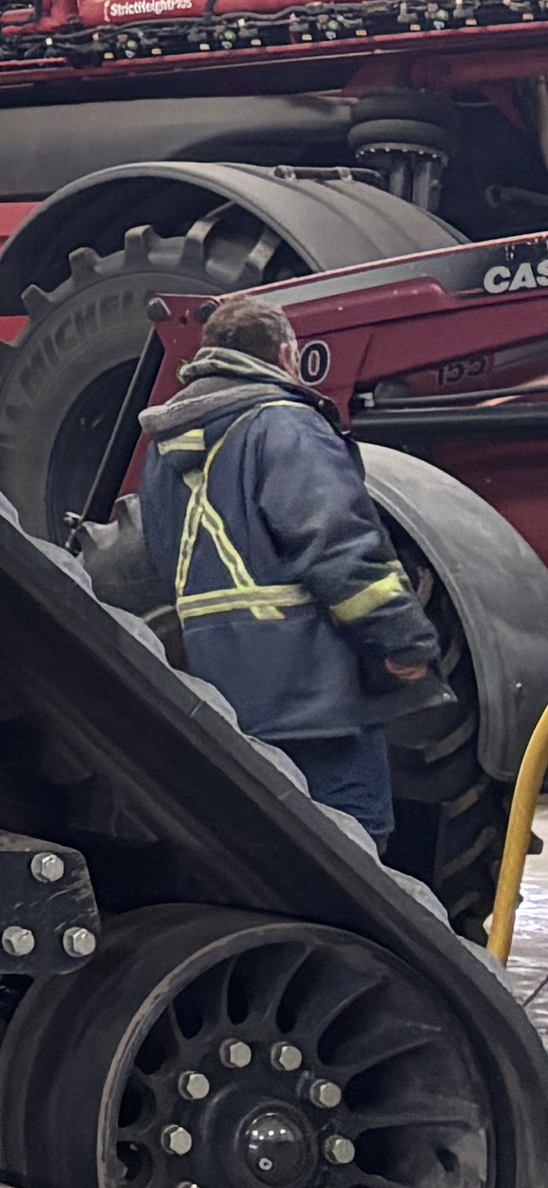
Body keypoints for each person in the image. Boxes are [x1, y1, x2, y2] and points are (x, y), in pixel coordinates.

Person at [101, 291, 448, 879]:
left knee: (272, 860)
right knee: (355, 854)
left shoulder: (165, 448)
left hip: (226, 693)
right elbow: (339, 545)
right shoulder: (284, 425)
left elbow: (163, 562)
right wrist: (405, 644)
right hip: (316, 695)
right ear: (286, 355)